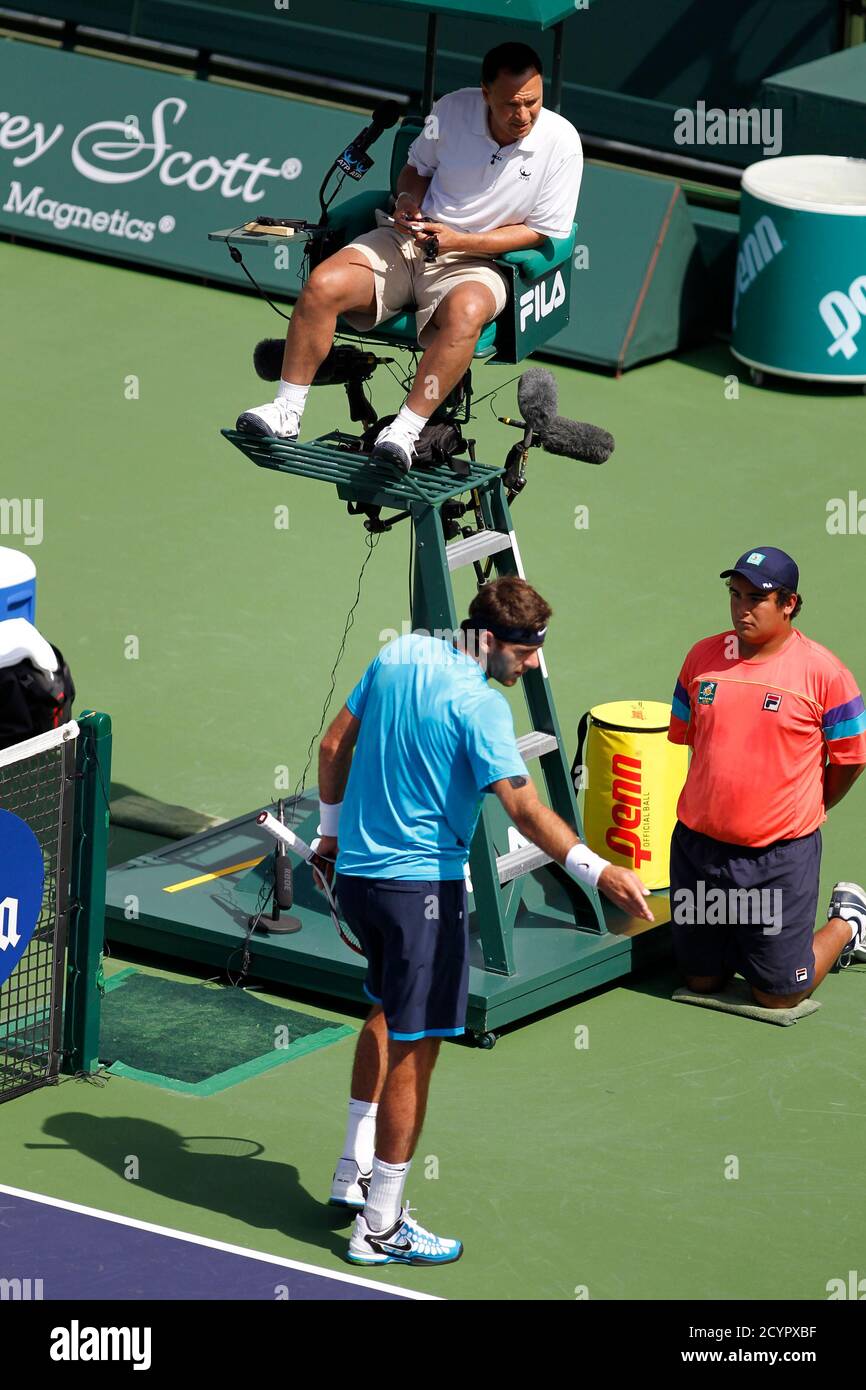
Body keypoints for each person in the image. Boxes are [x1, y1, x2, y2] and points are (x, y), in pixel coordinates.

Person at [310, 577, 652, 1266]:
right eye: (525, 653)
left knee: (384, 1010)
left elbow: (330, 746)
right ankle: (380, 1226)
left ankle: (353, 1172)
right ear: (490, 641)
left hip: (359, 883)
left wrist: (329, 833)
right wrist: (598, 870)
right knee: (417, 1048)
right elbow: (524, 811)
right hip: (421, 898)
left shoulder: (398, 655)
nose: (531, 667)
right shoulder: (481, 707)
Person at [236, 41, 583, 473]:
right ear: (484, 93)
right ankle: (286, 413)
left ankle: (405, 430)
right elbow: (416, 170)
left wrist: (459, 241)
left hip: (481, 260)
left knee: (468, 311)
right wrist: (405, 202)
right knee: (324, 284)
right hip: (409, 242)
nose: (524, 114)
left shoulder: (562, 143)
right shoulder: (452, 111)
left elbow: (538, 231)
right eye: (512, 104)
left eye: (533, 102)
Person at [667, 546, 866, 1009]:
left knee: (779, 996)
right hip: (699, 850)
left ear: (788, 604)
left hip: (778, 859)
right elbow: (692, 740)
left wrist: (803, 807)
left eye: (756, 598)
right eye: (735, 595)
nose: (742, 609)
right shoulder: (702, 659)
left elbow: (851, 760)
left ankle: (849, 923)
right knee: (701, 981)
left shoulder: (825, 674)